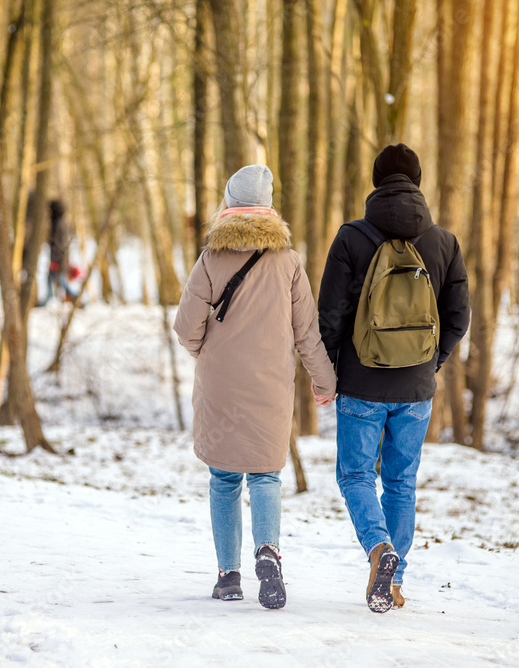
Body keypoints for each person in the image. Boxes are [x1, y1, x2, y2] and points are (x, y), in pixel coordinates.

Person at [174, 164, 337, 610]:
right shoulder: (288, 262)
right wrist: (324, 382)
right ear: (267, 207)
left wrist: (206, 352)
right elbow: (306, 332)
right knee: (266, 475)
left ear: (228, 203)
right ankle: (269, 551)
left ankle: (229, 576)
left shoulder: (210, 257)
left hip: (220, 385)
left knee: (224, 477)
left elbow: (185, 326)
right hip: (270, 385)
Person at [317, 144, 470, 613]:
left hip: (361, 384)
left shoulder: (351, 237)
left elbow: (331, 315)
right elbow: (459, 318)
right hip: (416, 388)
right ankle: (394, 580)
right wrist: (432, 362)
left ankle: (378, 547)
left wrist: (328, 370)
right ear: (417, 181)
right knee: (401, 482)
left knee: (357, 474)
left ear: (375, 181)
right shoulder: (444, 242)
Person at [41, 199, 79, 305]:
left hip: (58, 258)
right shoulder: (63, 223)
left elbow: (58, 244)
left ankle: (74, 297)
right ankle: (50, 298)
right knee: (56, 280)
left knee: (57, 280)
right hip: (61, 257)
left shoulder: (58, 224)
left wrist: (54, 260)